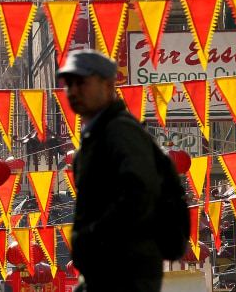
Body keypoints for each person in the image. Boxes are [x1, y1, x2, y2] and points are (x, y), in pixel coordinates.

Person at [58, 49, 163, 292]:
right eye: (69, 84)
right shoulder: (95, 137)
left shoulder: (120, 133)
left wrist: (95, 236)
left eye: (81, 83)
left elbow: (139, 197)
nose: (72, 91)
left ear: (107, 86)